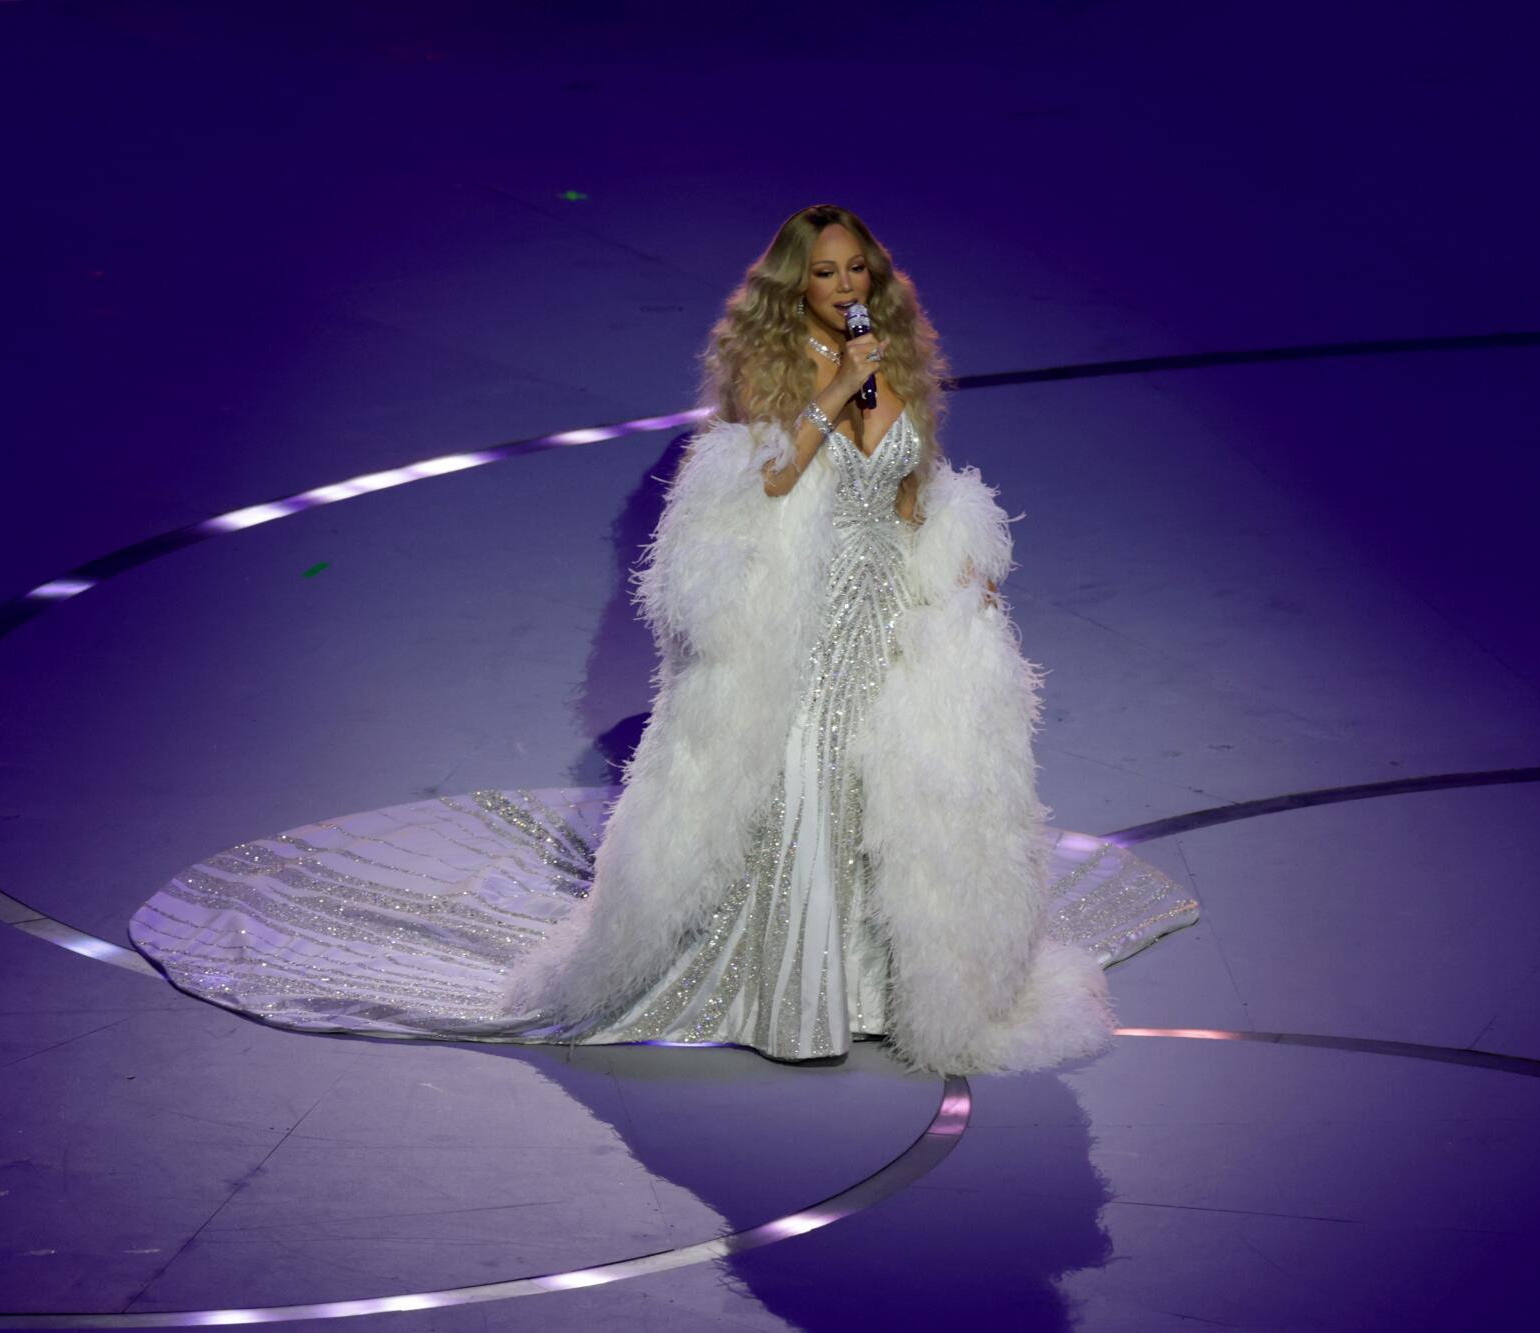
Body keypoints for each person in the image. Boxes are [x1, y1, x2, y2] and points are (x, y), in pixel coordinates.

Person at [128, 204, 1201, 1076]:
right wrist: (837, 384)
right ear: (795, 281)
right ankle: (790, 995)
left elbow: (903, 486)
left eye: (858, 271)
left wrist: (953, 556)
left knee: (888, 795)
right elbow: (770, 481)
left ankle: (885, 984)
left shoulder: (892, 365)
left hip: (879, 601)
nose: (846, 288)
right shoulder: (770, 369)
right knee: (798, 775)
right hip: (796, 610)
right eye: (826, 273)